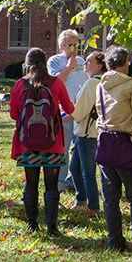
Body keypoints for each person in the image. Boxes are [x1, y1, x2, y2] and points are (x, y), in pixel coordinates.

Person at [10, 47, 75, 235]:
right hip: (52, 143)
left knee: (31, 184)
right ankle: (52, 227)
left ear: (27, 64)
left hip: (27, 143)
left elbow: (14, 114)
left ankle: (32, 224)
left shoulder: (20, 85)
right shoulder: (56, 83)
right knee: (51, 185)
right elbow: (69, 109)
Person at [96, 46, 132, 253]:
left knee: (110, 198)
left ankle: (114, 241)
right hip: (127, 143)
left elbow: (99, 114)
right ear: (125, 63)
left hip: (106, 144)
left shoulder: (100, 86)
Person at [66, 50, 106, 213]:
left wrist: (57, 119)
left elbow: (79, 111)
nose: (85, 63)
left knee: (88, 172)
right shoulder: (94, 82)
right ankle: (81, 200)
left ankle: (94, 207)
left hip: (87, 133)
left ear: (98, 66)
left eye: (89, 61)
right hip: (85, 133)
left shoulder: (92, 83)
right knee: (75, 168)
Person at [47, 29, 87, 192]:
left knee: (80, 149)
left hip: (80, 112)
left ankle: (74, 180)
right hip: (63, 111)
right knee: (63, 150)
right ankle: (61, 183)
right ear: (62, 46)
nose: (74, 48)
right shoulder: (54, 61)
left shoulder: (81, 60)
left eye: (76, 44)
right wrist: (70, 66)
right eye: (70, 45)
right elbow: (55, 81)